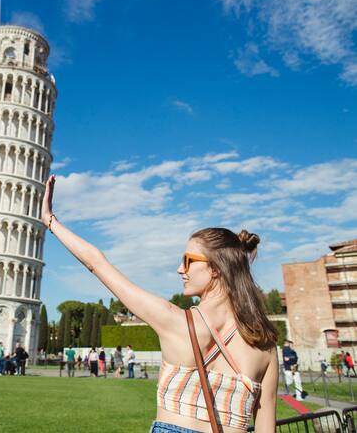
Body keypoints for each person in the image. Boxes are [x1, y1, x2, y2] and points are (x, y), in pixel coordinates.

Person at [40, 175, 279, 432]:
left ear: (216, 269)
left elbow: (97, 263)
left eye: (187, 260)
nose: (179, 269)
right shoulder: (265, 346)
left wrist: (50, 221)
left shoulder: (174, 321)